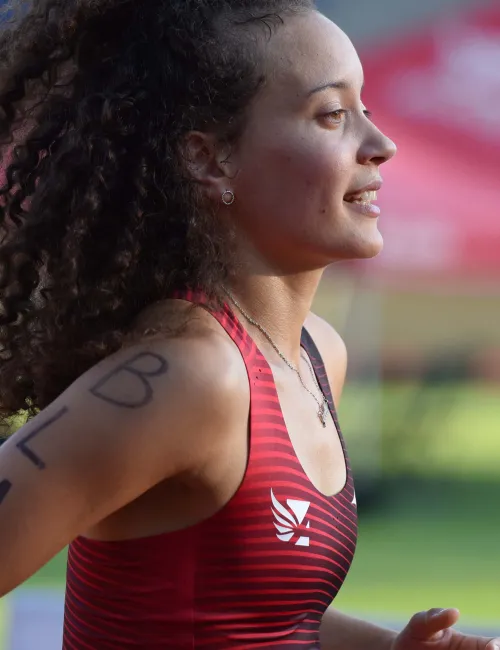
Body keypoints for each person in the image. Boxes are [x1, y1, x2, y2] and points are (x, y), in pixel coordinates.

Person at [0, 1, 497, 649]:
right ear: (211, 161)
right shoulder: (192, 377)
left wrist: (390, 646)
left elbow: (255, 613)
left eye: (367, 110)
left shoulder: (319, 351)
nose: (380, 145)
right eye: (332, 116)